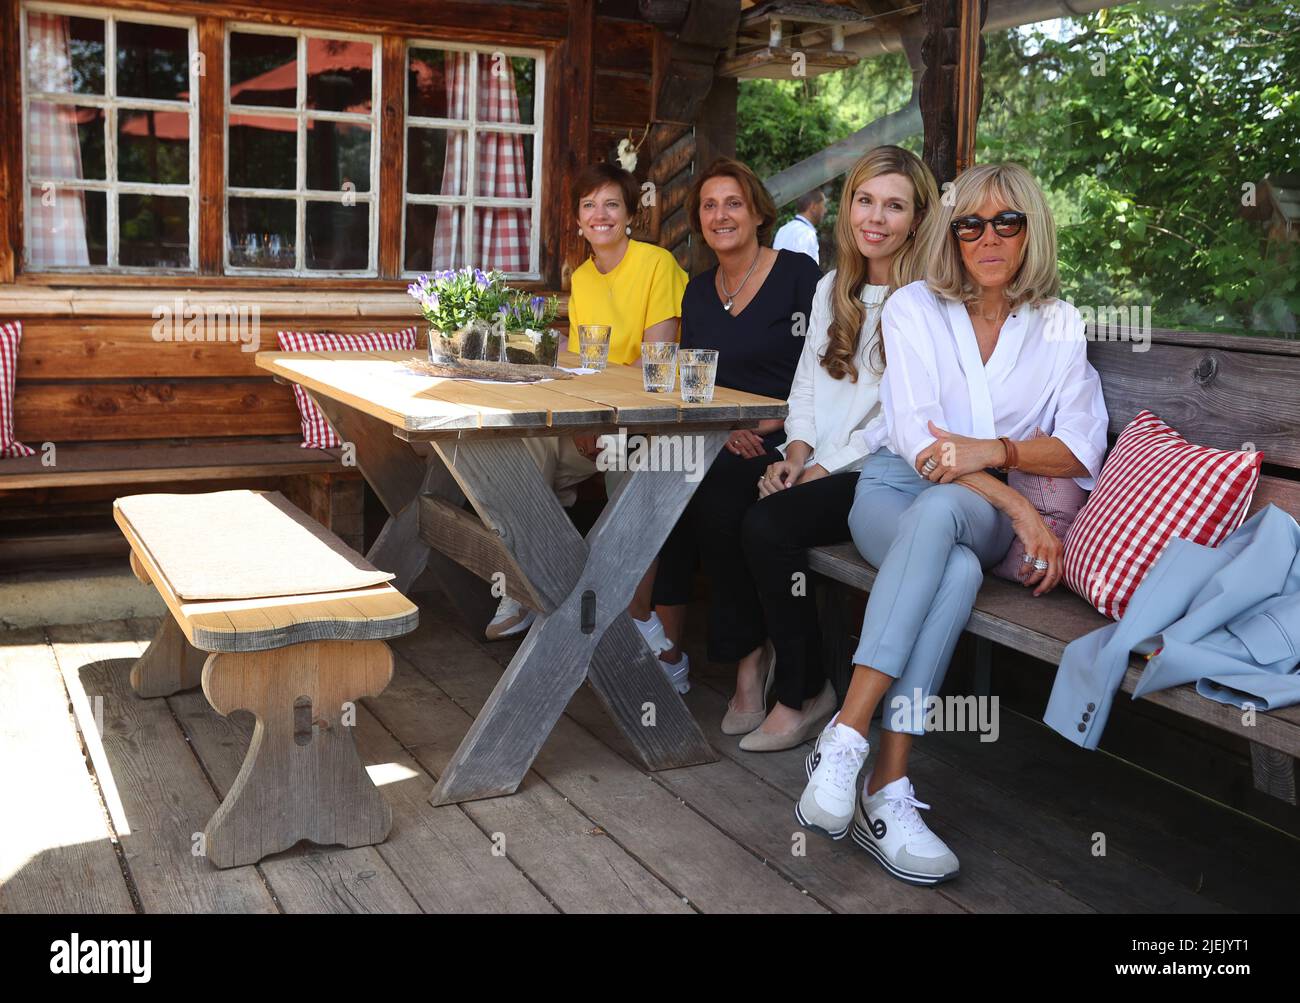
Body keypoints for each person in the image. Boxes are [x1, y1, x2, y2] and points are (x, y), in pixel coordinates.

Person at [795, 163, 1109, 886]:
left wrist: (996, 453)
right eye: (970, 224)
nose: (987, 238)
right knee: (956, 567)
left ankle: (844, 735)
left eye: (1007, 222)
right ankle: (887, 785)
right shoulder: (914, 307)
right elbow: (916, 439)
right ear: (952, 233)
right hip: (891, 491)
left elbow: (1081, 446)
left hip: (974, 506)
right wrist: (1021, 506)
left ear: (1032, 229)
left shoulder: (1058, 323)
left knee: (944, 515)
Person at [735, 146, 941, 751]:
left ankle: (802, 692)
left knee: (767, 526)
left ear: (918, 218)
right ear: (848, 206)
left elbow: (897, 419)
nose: (875, 218)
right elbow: (805, 384)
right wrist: (796, 454)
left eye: (894, 206)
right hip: (820, 458)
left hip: (882, 473)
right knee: (725, 493)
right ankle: (749, 666)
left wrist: (825, 466)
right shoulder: (832, 287)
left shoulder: (927, 300)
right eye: (864, 200)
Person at [486, 162, 687, 641]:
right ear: (577, 220)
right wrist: (580, 417)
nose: (601, 214)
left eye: (612, 204)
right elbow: (581, 366)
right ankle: (526, 586)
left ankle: (623, 619)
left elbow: (657, 363)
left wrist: (601, 421)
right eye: (589, 205)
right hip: (595, 421)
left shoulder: (657, 264)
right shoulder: (582, 277)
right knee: (519, 449)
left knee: (622, 476)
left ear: (631, 214)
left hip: (645, 422)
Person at [649, 157, 821, 696]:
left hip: (791, 436)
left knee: (718, 490)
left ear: (758, 213)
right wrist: (723, 428)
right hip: (720, 433)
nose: (720, 215)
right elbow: (693, 380)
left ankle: (749, 656)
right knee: (659, 478)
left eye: (733, 203)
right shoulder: (699, 291)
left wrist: (774, 420)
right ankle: (664, 646)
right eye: (709, 206)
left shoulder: (798, 276)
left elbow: (827, 370)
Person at [772, 189, 826, 266]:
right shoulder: (807, 233)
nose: (825, 210)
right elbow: (808, 269)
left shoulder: (783, 229)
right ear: (813, 207)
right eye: (823, 205)